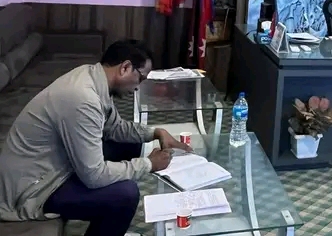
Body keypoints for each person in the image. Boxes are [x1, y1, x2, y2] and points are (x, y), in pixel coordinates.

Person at [0, 39, 191, 236]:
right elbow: (94, 176)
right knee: (125, 195)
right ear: (125, 67)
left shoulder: (94, 77)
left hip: (55, 167)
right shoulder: (83, 98)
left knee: (130, 145)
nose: (137, 88)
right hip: (34, 189)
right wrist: (149, 164)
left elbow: (114, 128)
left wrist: (155, 132)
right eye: (140, 78)